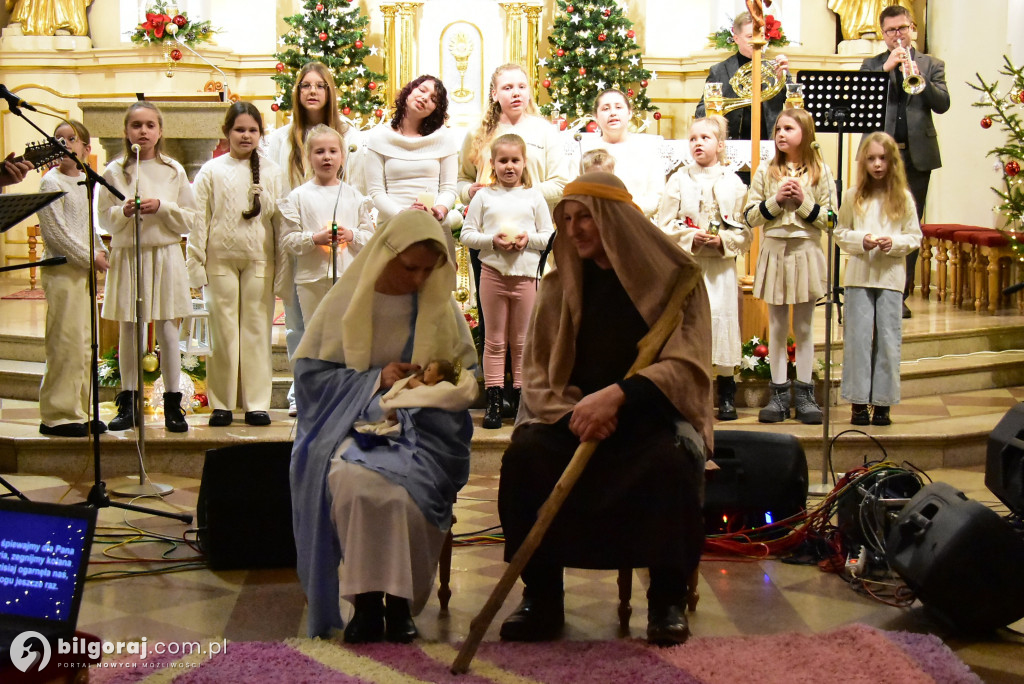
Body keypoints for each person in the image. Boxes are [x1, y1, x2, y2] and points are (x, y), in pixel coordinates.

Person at [497, 172, 712, 646]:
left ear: (615, 220)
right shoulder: (558, 288)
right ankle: (542, 597)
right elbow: (536, 373)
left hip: (648, 417)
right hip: (572, 418)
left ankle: (666, 601)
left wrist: (618, 397)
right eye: (566, 219)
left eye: (585, 217)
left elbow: (688, 368)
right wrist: (578, 412)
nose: (574, 229)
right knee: (525, 457)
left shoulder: (676, 281)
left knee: (671, 464)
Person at [290, 210, 478, 642]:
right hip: (350, 427)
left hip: (426, 433)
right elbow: (311, 381)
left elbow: (465, 372)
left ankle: (401, 606)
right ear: (384, 255)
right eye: (410, 267)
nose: (417, 280)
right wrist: (376, 379)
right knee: (355, 484)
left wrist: (433, 383)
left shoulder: (438, 305)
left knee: (403, 496)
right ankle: (366, 605)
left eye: (428, 271)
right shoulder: (345, 302)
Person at [458, 63, 569, 412]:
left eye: (521, 86)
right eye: (507, 87)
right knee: (494, 324)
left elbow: (561, 182)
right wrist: (473, 191)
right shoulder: (478, 132)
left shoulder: (544, 131)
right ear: (494, 93)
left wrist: (522, 193)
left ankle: (520, 393)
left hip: (529, 236)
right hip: (490, 236)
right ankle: (494, 390)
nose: (516, 92)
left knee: (524, 326)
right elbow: (460, 182)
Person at [187, 102, 289, 428]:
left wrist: (284, 269)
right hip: (220, 262)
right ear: (226, 132)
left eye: (252, 130)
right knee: (222, 333)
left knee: (257, 331)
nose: (246, 136)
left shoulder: (273, 172)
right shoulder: (211, 170)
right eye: (239, 129)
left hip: (260, 261)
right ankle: (222, 404)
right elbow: (197, 220)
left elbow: (281, 223)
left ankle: (256, 403)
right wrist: (195, 264)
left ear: (261, 134)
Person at [99, 101, 195, 433]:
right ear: (126, 131)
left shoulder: (173, 169)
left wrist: (162, 206)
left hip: (166, 254)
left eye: (150, 125)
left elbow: (190, 217)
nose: (143, 131)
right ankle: (128, 402)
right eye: (136, 125)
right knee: (130, 328)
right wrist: (121, 213)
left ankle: (172, 404)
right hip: (130, 256)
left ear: (160, 131)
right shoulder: (115, 170)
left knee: (169, 330)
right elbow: (103, 217)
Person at [267, 61, 354, 416]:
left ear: (329, 91)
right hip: (297, 235)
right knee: (297, 322)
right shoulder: (279, 139)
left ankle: (338, 388)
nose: (313, 91)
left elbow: (356, 190)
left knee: (340, 323)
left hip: (340, 246)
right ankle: (300, 391)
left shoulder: (348, 135)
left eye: (320, 85)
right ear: (297, 92)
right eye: (306, 85)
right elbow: (275, 189)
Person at [743, 108, 835, 425]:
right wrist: (776, 201)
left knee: (806, 327)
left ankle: (806, 396)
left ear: (805, 134)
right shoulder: (765, 172)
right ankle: (779, 395)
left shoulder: (820, 172)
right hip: (775, 249)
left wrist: (805, 203)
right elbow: (749, 216)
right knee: (779, 327)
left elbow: (833, 219)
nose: (781, 134)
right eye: (778, 129)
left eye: (789, 128)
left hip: (806, 248)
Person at [459, 133, 554, 430]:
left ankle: (523, 400)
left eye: (515, 161)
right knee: (495, 341)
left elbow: (549, 236)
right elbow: (467, 234)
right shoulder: (485, 197)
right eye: (503, 161)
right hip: (493, 275)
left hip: (526, 276)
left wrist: (527, 240)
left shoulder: (534, 197)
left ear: (525, 163)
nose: (509, 167)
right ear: (492, 163)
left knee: (523, 342)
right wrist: (493, 242)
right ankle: (494, 402)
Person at [658, 115, 749, 421]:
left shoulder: (733, 182)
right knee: (691, 326)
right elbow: (664, 226)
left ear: (721, 145)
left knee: (722, 323)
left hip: (720, 269)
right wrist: (691, 237)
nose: (698, 143)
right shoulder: (678, 180)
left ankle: (726, 390)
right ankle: (691, 392)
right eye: (693, 138)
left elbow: (744, 231)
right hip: (691, 266)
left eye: (705, 138)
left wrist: (722, 239)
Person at [860, 4, 949, 319]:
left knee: (909, 226)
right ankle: (873, 289)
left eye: (902, 29)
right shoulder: (872, 64)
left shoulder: (931, 63)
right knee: (874, 221)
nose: (898, 36)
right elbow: (861, 97)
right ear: (883, 34)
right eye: (891, 31)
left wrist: (918, 77)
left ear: (912, 28)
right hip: (878, 156)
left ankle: (900, 294)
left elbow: (943, 104)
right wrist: (886, 70)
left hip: (916, 156)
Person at [835, 132, 921, 426]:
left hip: (890, 277)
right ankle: (858, 402)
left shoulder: (904, 197)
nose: (877, 164)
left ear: (892, 161)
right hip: (859, 275)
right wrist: (863, 239)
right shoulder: (852, 195)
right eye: (871, 159)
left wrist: (893, 244)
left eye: (883, 158)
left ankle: (882, 403)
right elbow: (840, 233)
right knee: (857, 339)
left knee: (887, 338)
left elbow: (914, 236)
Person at [37, 120, 109, 437]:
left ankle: (82, 409)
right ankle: (57, 413)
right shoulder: (49, 183)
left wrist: (98, 251)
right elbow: (58, 236)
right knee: (64, 342)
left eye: (72, 139)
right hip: (62, 270)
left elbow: (89, 228)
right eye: (58, 139)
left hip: (82, 270)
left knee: (84, 343)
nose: (64, 144)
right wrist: (90, 257)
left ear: (85, 149)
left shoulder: (84, 181)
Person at [278, 124, 374, 339]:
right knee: (316, 337)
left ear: (342, 155)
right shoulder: (298, 196)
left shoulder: (354, 196)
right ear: (309, 157)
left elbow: (370, 238)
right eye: (319, 152)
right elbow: (288, 240)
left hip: (348, 276)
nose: (326, 157)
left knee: (347, 337)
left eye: (333, 151)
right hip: (312, 279)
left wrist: (351, 235)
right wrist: (314, 238)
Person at [364, 75, 458, 225]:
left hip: (431, 225)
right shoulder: (379, 136)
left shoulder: (444, 138)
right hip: (393, 224)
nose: (425, 98)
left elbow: (449, 189)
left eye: (433, 99)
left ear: (436, 110)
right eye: (422, 90)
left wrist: (439, 211)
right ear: (409, 91)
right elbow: (376, 192)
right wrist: (403, 215)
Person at [694, 12, 790, 144]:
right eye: (750, 36)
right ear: (736, 38)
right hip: (732, 142)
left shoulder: (776, 68)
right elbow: (700, 112)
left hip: (770, 141)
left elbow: (796, 104)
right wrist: (716, 106)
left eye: (761, 36)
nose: (757, 42)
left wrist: (781, 79)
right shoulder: (719, 70)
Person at [581, 89, 665, 218]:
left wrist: (624, 211)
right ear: (596, 117)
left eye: (619, 107)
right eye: (605, 109)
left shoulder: (648, 148)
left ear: (630, 113)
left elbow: (656, 196)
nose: (613, 113)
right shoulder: (584, 149)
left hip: (638, 222)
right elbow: (576, 193)